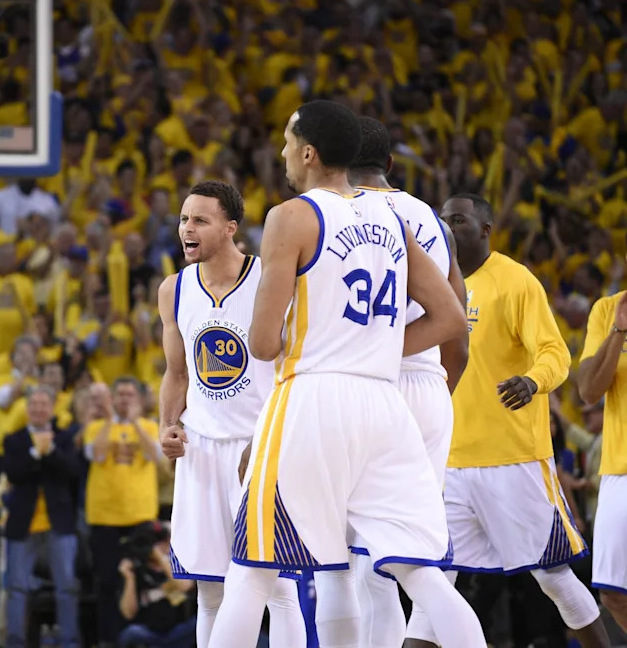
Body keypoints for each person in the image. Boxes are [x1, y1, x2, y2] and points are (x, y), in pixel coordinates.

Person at [207, 100, 484, 648]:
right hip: (385, 405)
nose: (283, 153)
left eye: (287, 143)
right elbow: (452, 317)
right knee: (421, 575)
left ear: (308, 153)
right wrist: (376, 348)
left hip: (313, 398)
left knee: (254, 569)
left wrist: (331, 345)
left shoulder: (291, 217)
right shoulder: (394, 218)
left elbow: (262, 345)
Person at [407, 194, 609, 648]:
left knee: (552, 578)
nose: (448, 227)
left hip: (513, 459)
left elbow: (556, 354)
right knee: (434, 583)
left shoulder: (516, 281)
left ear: (485, 229)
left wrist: (533, 381)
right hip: (451, 462)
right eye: (442, 220)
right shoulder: (429, 284)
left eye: (458, 219)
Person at [157, 179, 306, 648]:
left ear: (230, 228)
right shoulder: (173, 290)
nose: (187, 228)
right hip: (202, 449)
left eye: (200, 219)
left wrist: (280, 440)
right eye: (184, 219)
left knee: (279, 587)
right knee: (209, 589)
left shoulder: (271, 277)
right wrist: (168, 426)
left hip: (259, 445)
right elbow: (177, 373)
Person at [344, 116, 470, 647]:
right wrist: (441, 390)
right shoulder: (435, 223)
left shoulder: (344, 213)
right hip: (430, 386)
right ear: (390, 165)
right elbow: (457, 328)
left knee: (362, 562)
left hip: (370, 382)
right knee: (414, 555)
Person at [83, 377, 164, 644]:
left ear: (139, 400)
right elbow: (97, 455)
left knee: (142, 580)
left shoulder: (151, 427)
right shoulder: (96, 426)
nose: (124, 399)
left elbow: (155, 456)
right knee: (107, 582)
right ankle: (109, 638)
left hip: (140, 516)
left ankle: (140, 638)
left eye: (130, 395)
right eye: (119, 394)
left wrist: (134, 423)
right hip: (104, 517)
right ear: (112, 399)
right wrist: (111, 420)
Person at [2, 385, 82, 648]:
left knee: (67, 588)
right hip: (22, 525)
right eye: (33, 404)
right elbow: (13, 473)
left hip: (59, 523)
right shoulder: (14, 439)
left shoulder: (63, 438)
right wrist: (37, 452)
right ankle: (15, 641)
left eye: (43, 404)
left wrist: (51, 452)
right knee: (16, 589)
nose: (38, 409)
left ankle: (68, 641)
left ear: (52, 408)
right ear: (27, 409)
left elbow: (72, 471)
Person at [577, 287, 627, 631]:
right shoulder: (608, 309)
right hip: (618, 469)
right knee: (612, 594)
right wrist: (619, 331)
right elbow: (589, 390)